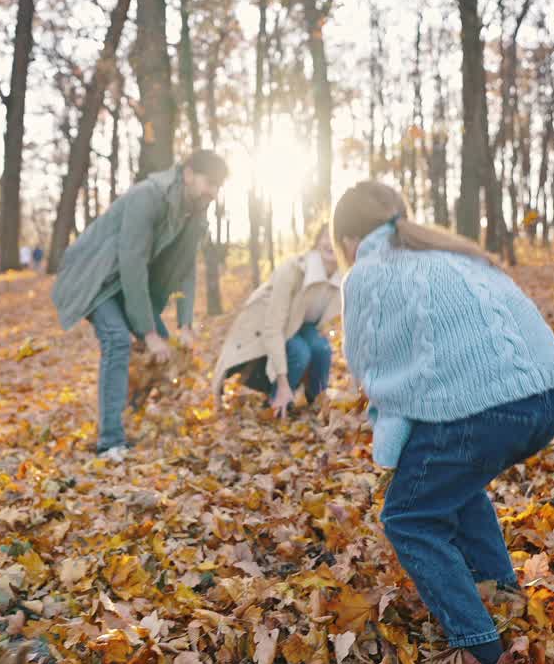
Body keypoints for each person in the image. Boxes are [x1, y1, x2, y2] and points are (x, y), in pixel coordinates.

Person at [333, 181, 554, 664]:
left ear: (347, 239)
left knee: (409, 516)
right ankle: (500, 591)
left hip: (486, 408)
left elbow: (374, 376)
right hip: (546, 399)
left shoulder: (368, 272)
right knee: (454, 481)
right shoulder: (451, 251)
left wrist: (391, 453)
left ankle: (478, 646)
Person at [52, 150, 228, 457]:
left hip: (129, 283)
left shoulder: (194, 212)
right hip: (99, 277)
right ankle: (110, 442)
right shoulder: (148, 196)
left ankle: (127, 410)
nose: (212, 192)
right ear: (187, 173)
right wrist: (148, 332)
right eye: (208, 182)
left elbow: (186, 270)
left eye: (217, 186)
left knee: (165, 350)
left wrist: (185, 323)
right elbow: (132, 263)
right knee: (118, 340)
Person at [212, 225, 341, 417]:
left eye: (335, 238)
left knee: (321, 348)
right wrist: (282, 382)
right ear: (316, 241)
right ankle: (277, 401)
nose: (330, 243)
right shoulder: (293, 269)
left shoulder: (342, 278)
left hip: (301, 325)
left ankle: (317, 403)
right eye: (325, 237)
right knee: (300, 351)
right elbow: (273, 327)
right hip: (270, 323)